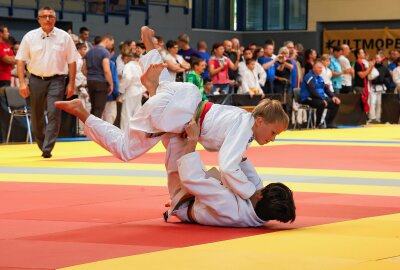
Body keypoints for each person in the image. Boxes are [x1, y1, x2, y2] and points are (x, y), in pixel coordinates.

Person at [56, 26, 289, 203]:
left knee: (178, 160)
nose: (273, 138)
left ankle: (152, 57)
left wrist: (257, 184)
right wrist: (253, 193)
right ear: (260, 121)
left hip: (186, 103)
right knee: (125, 149)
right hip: (176, 115)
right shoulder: (244, 127)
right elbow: (228, 167)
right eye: (273, 132)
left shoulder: (241, 122)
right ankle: (83, 112)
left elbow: (238, 159)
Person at [164, 118, 296, 227]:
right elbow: (241, 164)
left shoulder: (228, 204)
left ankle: (155, 96)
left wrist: (192, 140)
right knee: (238, 176)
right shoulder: (263, 210)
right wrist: (235, 143)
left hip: (186, 200)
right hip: (208, 196)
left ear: (260, 195)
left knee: (176, 137)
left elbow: (191, 179)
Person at [16, 6, 78, 158]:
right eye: (44, 16)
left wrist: (71, 84)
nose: (48, 19)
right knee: (36, 116)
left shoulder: (64, 37)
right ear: (39, 19)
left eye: (51, 16)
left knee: (53, 112)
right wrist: (22, 83)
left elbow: (72, 62)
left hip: (57, 80)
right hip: (36, 79)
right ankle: (42, 142)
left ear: (55, 19)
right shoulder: (29, 37)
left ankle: (47, 148)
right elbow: (20, 61)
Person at [299, 60, 341, 128]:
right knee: (321, 103)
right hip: (307, 98)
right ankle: (318, 124)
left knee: (336, 103)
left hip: (318, 98)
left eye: (321, 68)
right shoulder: (309, 76)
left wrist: (333, 96)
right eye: (319, 68)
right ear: (314, 68)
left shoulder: (320, 78)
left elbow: (326, 89)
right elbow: (312, 91)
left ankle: (329, 123)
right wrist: (322, 99)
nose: (321, 70)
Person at [85, 34, 114, 118]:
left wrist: (90, 76)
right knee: (99, 109)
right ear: (107, 40)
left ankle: (89, 128)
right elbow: (106, 70)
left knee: (93, 108)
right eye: (111, 44)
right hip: (100, 82)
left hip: (90, 81)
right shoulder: (105, 52)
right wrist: (111, 84)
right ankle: (94, 130)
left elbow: (84, 68)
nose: (111, 46)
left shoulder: (89, 51)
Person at [119, 52, 145, 131]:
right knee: (136, 113)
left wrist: (121, 89)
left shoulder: (129, 65)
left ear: (126, 58)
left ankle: (125, 133)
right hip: (139, 90)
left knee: (127, 113)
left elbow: (127, 78)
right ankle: (136, 132)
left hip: (130, 90)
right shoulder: (139, 66)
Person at [0, 23, 16, 143]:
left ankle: (5, 137)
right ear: (1, 33)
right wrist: (11, 60)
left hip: (7, 78)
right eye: (6, 31)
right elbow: (7, 59)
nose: (8, 33)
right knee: (2, 108)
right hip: (0, 79)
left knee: (5, 108)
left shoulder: (7, 46)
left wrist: (11, 60)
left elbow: (13, 60)